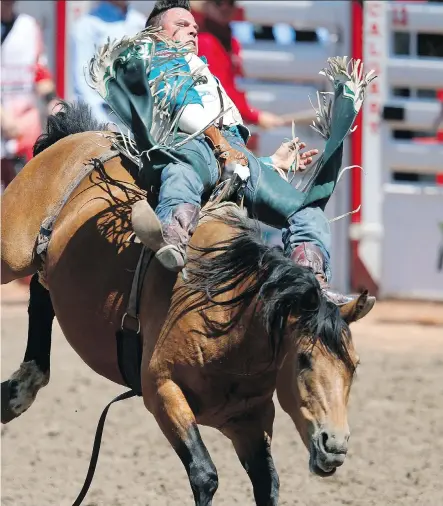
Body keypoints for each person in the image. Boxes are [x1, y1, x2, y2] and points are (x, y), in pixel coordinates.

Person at [88, 0, 376, 317]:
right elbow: (185, 113)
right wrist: (221, 143)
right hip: (189, 142)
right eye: (182, 26)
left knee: (306, 211)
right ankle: (173, 232)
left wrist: (271, 164)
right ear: (157, 34)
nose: (192, 31)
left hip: (230, 152)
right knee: (184, 169)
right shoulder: (159, 59)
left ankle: (312, 282)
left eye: (194, 28)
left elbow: (233, 151)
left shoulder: (205, 71)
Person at [191, 0, 289, 130]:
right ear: (207, 6)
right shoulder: (205, 42)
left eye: (230, 3)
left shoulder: (231, 43)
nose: (225, 7)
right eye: (218, 2)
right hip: (211, 123)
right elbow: (218, 90)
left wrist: (253, 114)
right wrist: (256, 116)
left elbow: (229, 88)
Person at [1, 0, 58, 188]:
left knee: (25, 192)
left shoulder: (28, 27)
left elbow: (39, 71)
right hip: (5, 124)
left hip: (24, 129)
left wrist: (52, 102)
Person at [70, 0, 145, 124]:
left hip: (142, 116)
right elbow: (83, 82)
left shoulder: (139, 22)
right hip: (107, 116)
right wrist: (101, 125)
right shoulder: (87, 26)